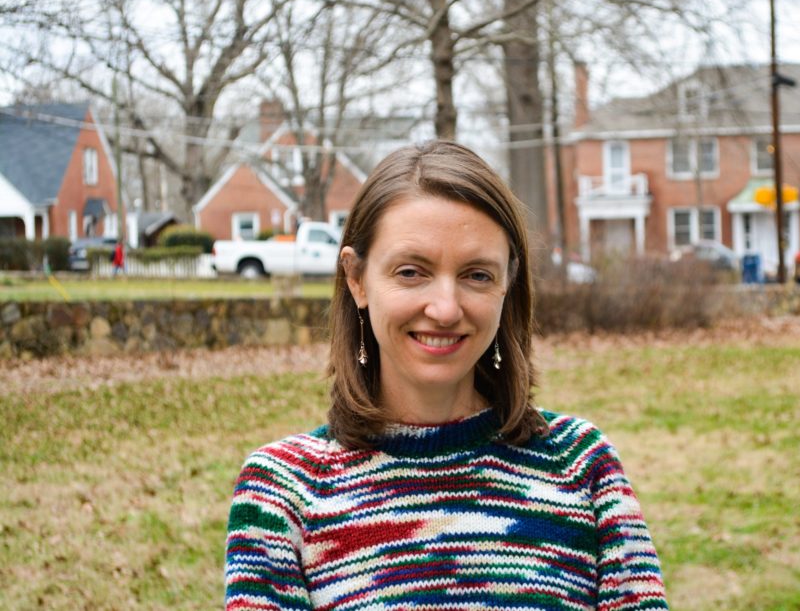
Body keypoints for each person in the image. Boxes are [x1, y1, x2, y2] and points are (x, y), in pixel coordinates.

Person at [224, 141, 668, 610]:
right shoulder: (283, 494)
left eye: (477, 275)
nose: (445, 308)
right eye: (412, 271)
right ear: (357, 279)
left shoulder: (582, 467)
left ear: (507, 284)